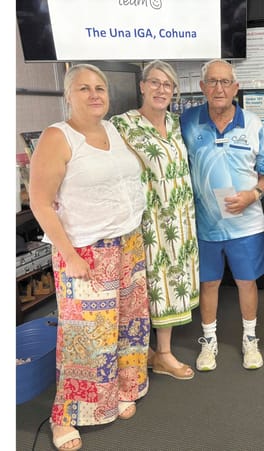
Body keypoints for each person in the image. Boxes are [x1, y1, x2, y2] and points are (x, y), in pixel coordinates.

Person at [29, 64, 149, 451]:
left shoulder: (112, 130)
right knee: (84, 338)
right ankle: (64, 416)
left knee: (129, 326)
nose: (95, 94)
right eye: (84, 88)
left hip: (128, 245)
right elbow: (39, 202)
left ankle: (119, 392)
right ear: (68, 94)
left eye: (100, 87)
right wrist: (69, 255)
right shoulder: (57, 137)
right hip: (85, 252)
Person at [180, 59, 264, 371]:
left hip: (246, 226)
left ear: (236, 88)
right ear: (203, 87)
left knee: (247, 283)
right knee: (209, 285)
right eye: (212, 82)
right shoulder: (187, 122)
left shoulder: (254, 124)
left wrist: (253, 195)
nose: (219, 88)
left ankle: (250, 339)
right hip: (205, 226)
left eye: (225, 82)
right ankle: (209, 342)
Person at [111, 60, 200, 382]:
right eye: (156, 82)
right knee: (150, 285)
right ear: (142, 86)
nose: (162, 89)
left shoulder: (178, 125)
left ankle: (161, 352)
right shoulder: (122, 125)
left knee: (172, 283)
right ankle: (148, 351)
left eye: (168, 84)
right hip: (147, 221)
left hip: (181, 218)